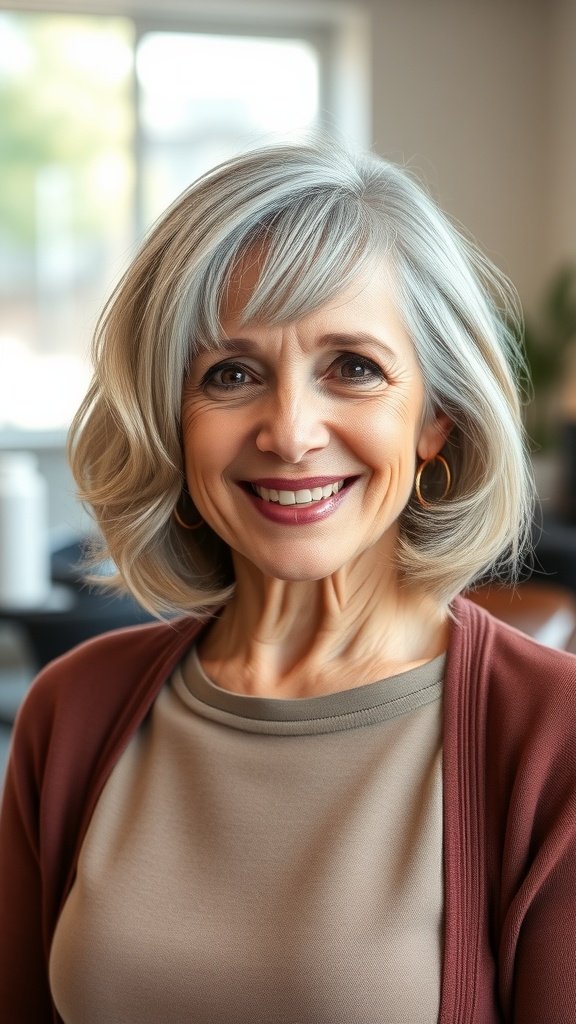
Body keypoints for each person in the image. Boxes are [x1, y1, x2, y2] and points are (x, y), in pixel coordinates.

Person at [0, 139, 574, 1024]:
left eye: (354, 367)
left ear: (435, 420)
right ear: (172, 424)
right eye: (230, 374)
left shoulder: (555, 740)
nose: (290, 430)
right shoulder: (73, 709)